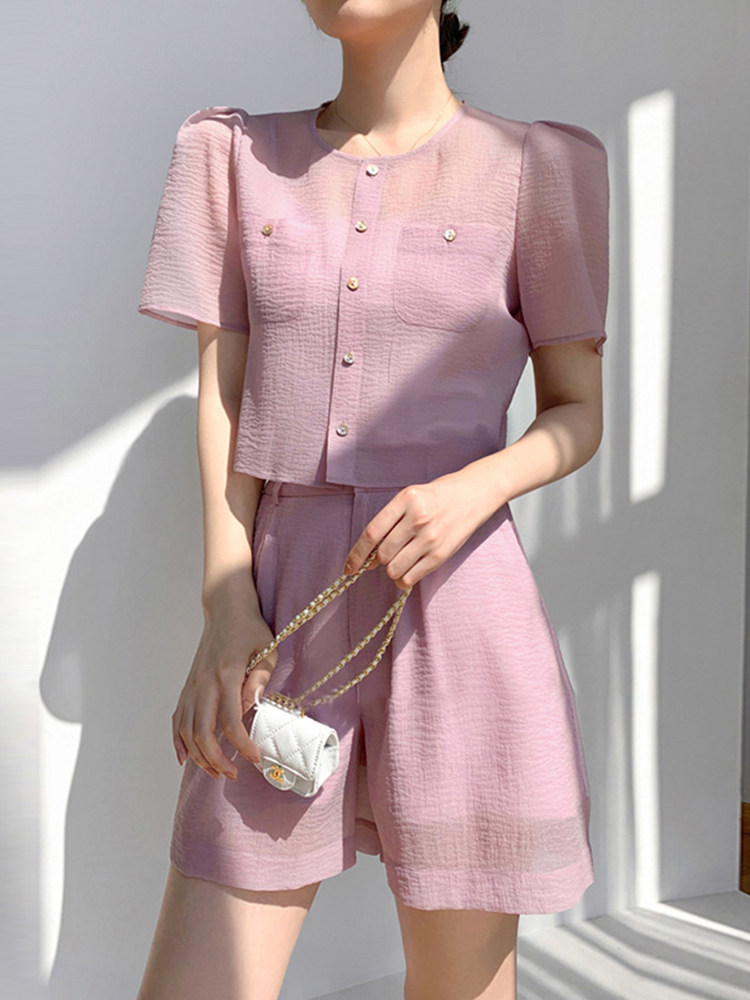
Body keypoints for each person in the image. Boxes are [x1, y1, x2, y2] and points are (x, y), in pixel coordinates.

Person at [134, 1, 610, 997]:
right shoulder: (235, 158)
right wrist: (226, 604)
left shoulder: (538, 169)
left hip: (461, 614)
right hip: (283, 624)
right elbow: (223, 391)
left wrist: (471, 490)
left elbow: (577, 411)